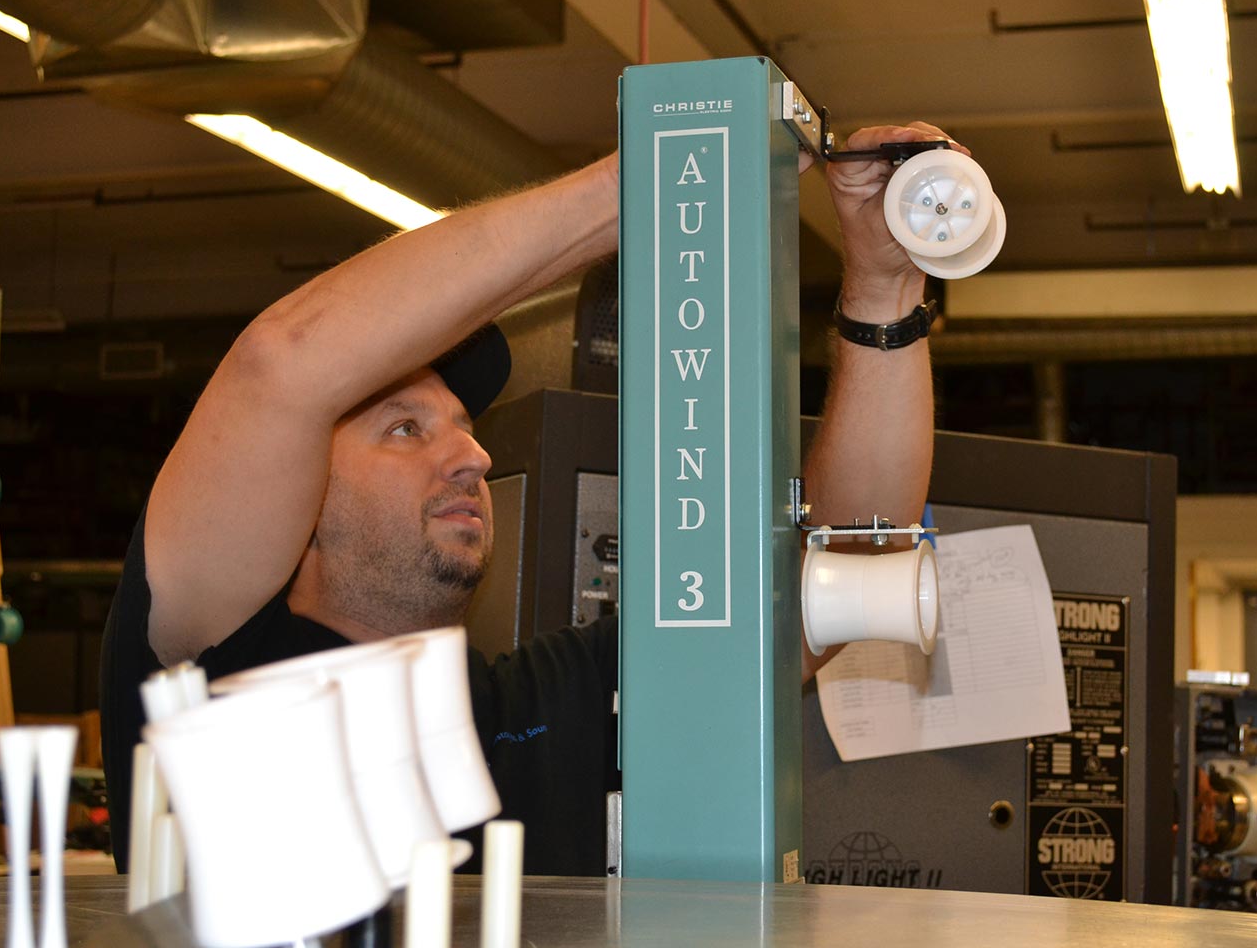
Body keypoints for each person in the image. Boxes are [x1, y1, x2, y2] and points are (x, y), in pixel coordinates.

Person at [99, 122, 962, 876]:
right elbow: (284, 364)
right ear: (295, 500)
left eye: (464, 426)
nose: (472, 453)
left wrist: (885, 289)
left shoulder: (555, 706)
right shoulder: (204, 666)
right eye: (404, 429)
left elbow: (851, 569)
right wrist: (668, 165)